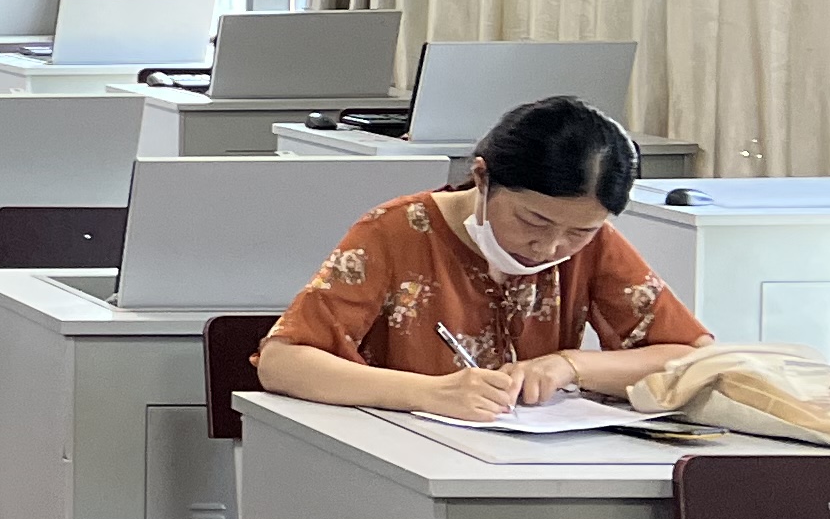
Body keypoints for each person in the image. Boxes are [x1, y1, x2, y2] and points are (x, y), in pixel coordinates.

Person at [259, 94, 708, 419]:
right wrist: (428, 393)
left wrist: (570, 365)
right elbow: (284, 362)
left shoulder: (596, 245)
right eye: (532, 221)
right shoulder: (396, 231)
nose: (551, 247)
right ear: (482, 178)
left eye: (580, 231)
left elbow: (692, 355)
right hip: (402, 456)